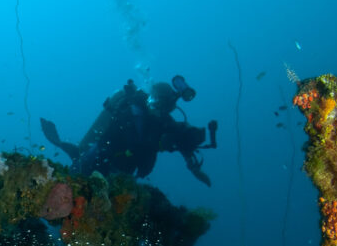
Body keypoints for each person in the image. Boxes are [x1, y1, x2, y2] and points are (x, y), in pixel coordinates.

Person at [41, 76, 218, 186]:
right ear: (154, 99)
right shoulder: (130, 113)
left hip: (124, 173)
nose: (162, 110)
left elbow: (182, 140)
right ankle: (71, 160)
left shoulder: (165, 122)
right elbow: (104, 141)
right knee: (81, 170)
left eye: (167, 107)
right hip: (101, 160)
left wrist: (194, 168)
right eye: (161, 104)